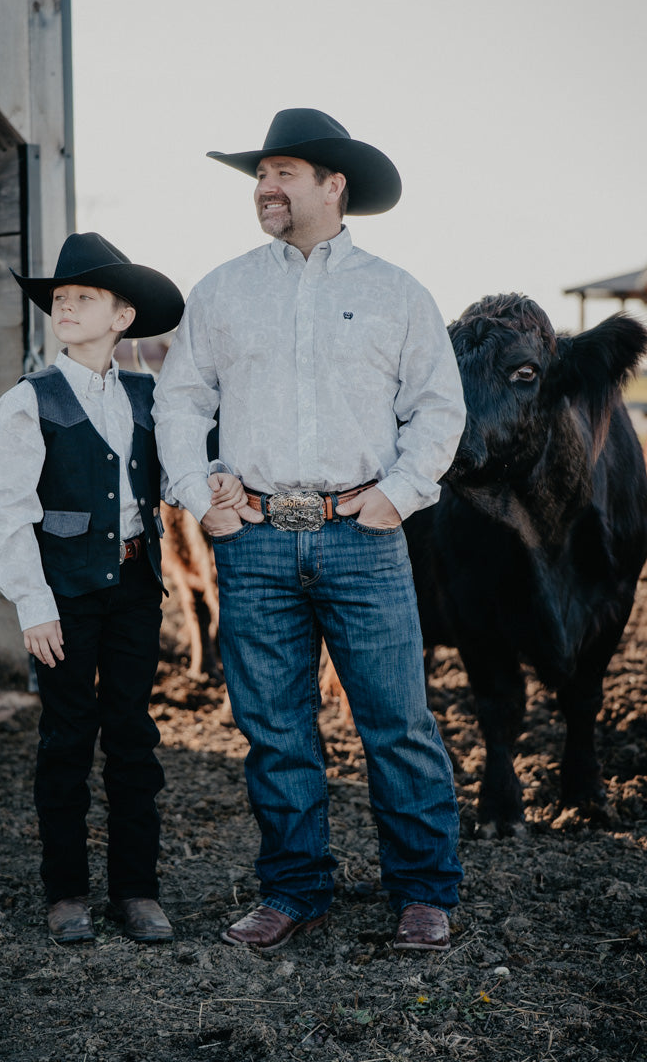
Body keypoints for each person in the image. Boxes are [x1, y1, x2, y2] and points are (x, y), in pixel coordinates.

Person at [153, 108, 467, 953]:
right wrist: (194, 491)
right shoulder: (223, 289)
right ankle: (294, 890)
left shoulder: (396, 292)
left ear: (335, 186)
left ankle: (424, 892)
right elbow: (179, 401)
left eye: (283, 172)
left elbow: (438, 407)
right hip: (252, 537)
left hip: (361, 533)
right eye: (261, 174)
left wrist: (398, 494)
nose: (265, 187)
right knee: (274, 730)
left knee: (397, 724)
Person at [0, 232, 245, 944]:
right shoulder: (25, 403)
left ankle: (138, 891)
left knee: (133, 738)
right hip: (63, 597)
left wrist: (216, 473)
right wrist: (33, 606)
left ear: (121, 316)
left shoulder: (146, 395)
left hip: (134, 589)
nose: (65, 306)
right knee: (68, 738)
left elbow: (176, 468)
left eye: (83, 297)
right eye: (59, 299)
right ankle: (67, 892)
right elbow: (8, 515)